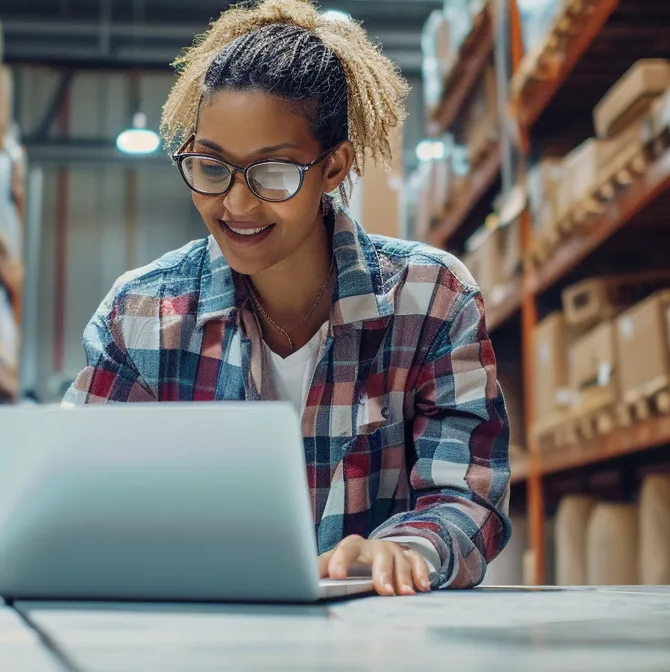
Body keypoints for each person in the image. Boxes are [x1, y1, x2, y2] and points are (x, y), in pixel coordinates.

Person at [65, 0, 510, 596]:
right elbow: (74, 490)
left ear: (333, 168)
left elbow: (466, 493)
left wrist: (407, 550)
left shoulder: (431, 300)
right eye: (212, 166)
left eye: (274, 172)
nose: (238, 204)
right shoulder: (141, 317)